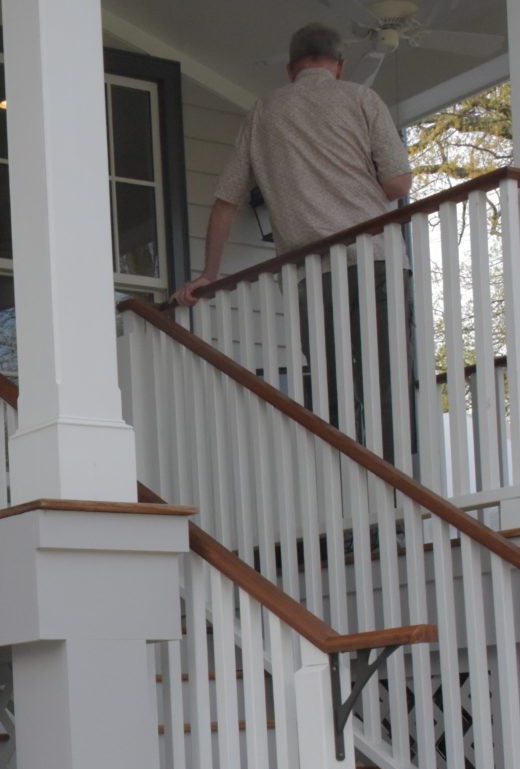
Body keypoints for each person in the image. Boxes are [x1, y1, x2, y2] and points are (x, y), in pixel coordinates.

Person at [171, 24, 415, 454]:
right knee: (387, 376)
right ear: (339, 66)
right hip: (375, 258)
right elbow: (397, 183)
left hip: (311, 274)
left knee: (332, 382)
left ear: (290, 69)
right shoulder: (361, 98)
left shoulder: (265, 111)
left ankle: (350, 478)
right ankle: (400, 480)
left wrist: (209, 273)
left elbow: (226, 200)